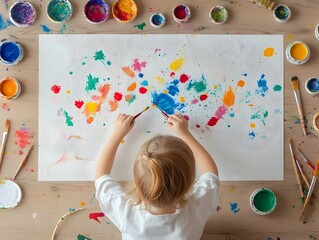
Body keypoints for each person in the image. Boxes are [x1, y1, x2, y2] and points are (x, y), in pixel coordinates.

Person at [95, 112, 220, 240]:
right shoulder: (196, 209)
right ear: (189, 182)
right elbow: (210, 172)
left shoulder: (125, 213)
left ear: (137, 183)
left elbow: (101, 175)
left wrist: (118, 133)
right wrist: (185, 133)